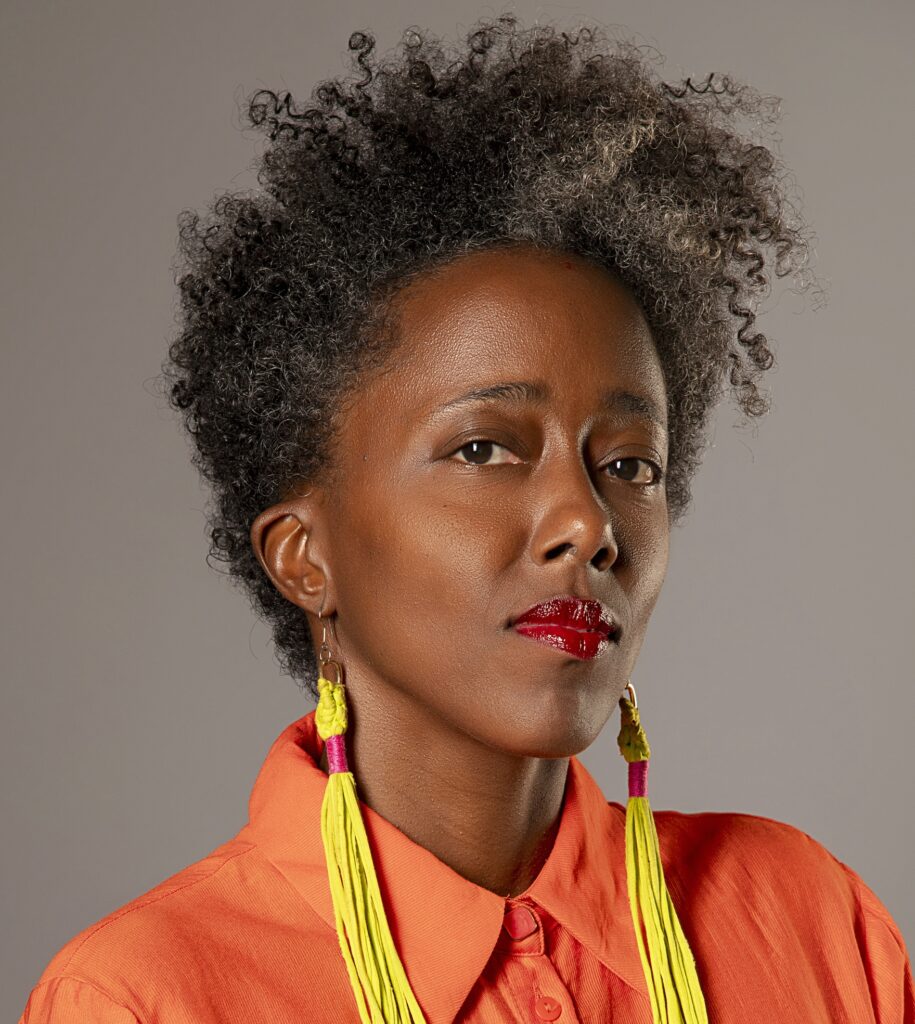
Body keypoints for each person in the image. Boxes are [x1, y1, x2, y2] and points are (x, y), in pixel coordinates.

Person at [19, 15, 913, 1024]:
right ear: (303, 558)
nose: (588, 523)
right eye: (484, 449)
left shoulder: (810, 924)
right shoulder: (146, 997)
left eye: (629, 464)